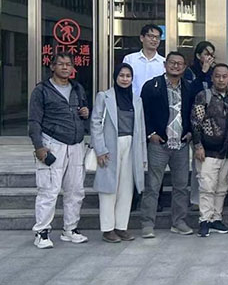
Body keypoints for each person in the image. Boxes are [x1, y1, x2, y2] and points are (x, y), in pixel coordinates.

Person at [28, 53, 90, 248]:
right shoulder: (41, 90)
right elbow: (34, 121)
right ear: (52, 67)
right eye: (61, 64)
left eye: (68, 64)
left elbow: (83, 112)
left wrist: (85, 113)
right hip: (52, 144)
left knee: (76, 190)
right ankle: (42, 232)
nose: (65, 67)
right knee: (49, 190)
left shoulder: (77, 88)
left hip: (76, 144)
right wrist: (39, 146)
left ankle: (70, 229)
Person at [90, 63, 147, 243]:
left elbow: (141, 128)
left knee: (126, 188)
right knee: (109, 189)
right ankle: (108, 229)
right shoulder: (104, 96)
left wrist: (143, 155)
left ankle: (121, 227)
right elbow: (95, 123)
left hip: (131, 146)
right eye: (121, 75)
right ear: (115, 77)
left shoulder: (136, 100)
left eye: (128, 76)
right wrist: (100, 149)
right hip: (110, 146)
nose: (124, 79)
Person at [140, 51, 194, 238]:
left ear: (184, 67)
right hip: (159, 144)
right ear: (165, 65)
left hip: (181, 144)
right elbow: (143, 112)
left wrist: (190, 132)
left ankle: (179, 222)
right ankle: (147, 224)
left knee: (181, 186)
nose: (176, 66)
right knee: (153, 186)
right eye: (172, 62)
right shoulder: (152, 86)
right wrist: (151, 134)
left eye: (180, 63)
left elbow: (193, 113)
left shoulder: (189, 87)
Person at [191, 63, 228, 237]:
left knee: (221, 188)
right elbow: (195, 122)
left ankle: (216, 219)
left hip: (227, 151)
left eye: (224, 76)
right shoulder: (203, 96)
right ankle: (204, 220)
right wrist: (198, 146)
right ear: (212, 78)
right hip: (207, 151)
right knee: (206, 186)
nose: (221, 79)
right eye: (217, 76)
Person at [185, 40, 216, 212]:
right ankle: (196, 200)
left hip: (214, 125)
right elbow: (191, 93)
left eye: (212, 54)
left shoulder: (215, 72)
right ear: (198, 55)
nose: (209, 58)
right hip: (196, 122)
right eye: (206, 54)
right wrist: (203, 72)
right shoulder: (190, 72)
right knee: (198, 164)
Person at [123, 24, 165, 98]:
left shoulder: (164, 62)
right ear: (142, 38)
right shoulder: (130, 59)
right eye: (151, 36)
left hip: (155, 102)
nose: (154, 40)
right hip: (132, 101)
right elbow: (123, 81)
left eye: (157, 37)